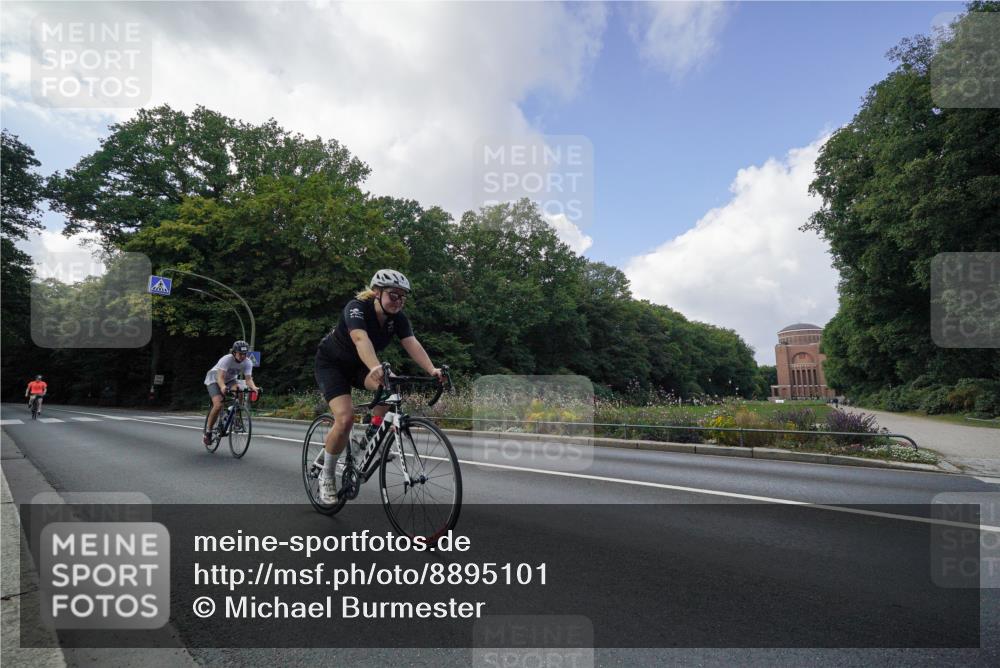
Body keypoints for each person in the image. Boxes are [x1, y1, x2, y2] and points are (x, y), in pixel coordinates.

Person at [314, 269, 443, 503]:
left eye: (403, 297)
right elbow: (360, 339)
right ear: (376, 292)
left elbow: (412, 344)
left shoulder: (398, 320)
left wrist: (432, 369)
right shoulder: (356, 308)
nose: (398, 301)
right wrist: (376, 367)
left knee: (391, 387)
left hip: (360, 366)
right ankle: (327, 475)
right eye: (393, 295)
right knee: (345, 419)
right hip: (332, 364)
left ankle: (373, 433)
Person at [203, 340, 261, 445]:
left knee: (240, 392)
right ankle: (208, 432)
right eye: (240, 354)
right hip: (214, 379)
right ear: (234, 353)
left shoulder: (248, 362)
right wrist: (223, 387)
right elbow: (220, 377)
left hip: (230, 380)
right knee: (218, 404)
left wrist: (254, 387)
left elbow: (248, 379)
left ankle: (236, 416)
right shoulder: (226, 359)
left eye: (245, 354)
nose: (243, 356)